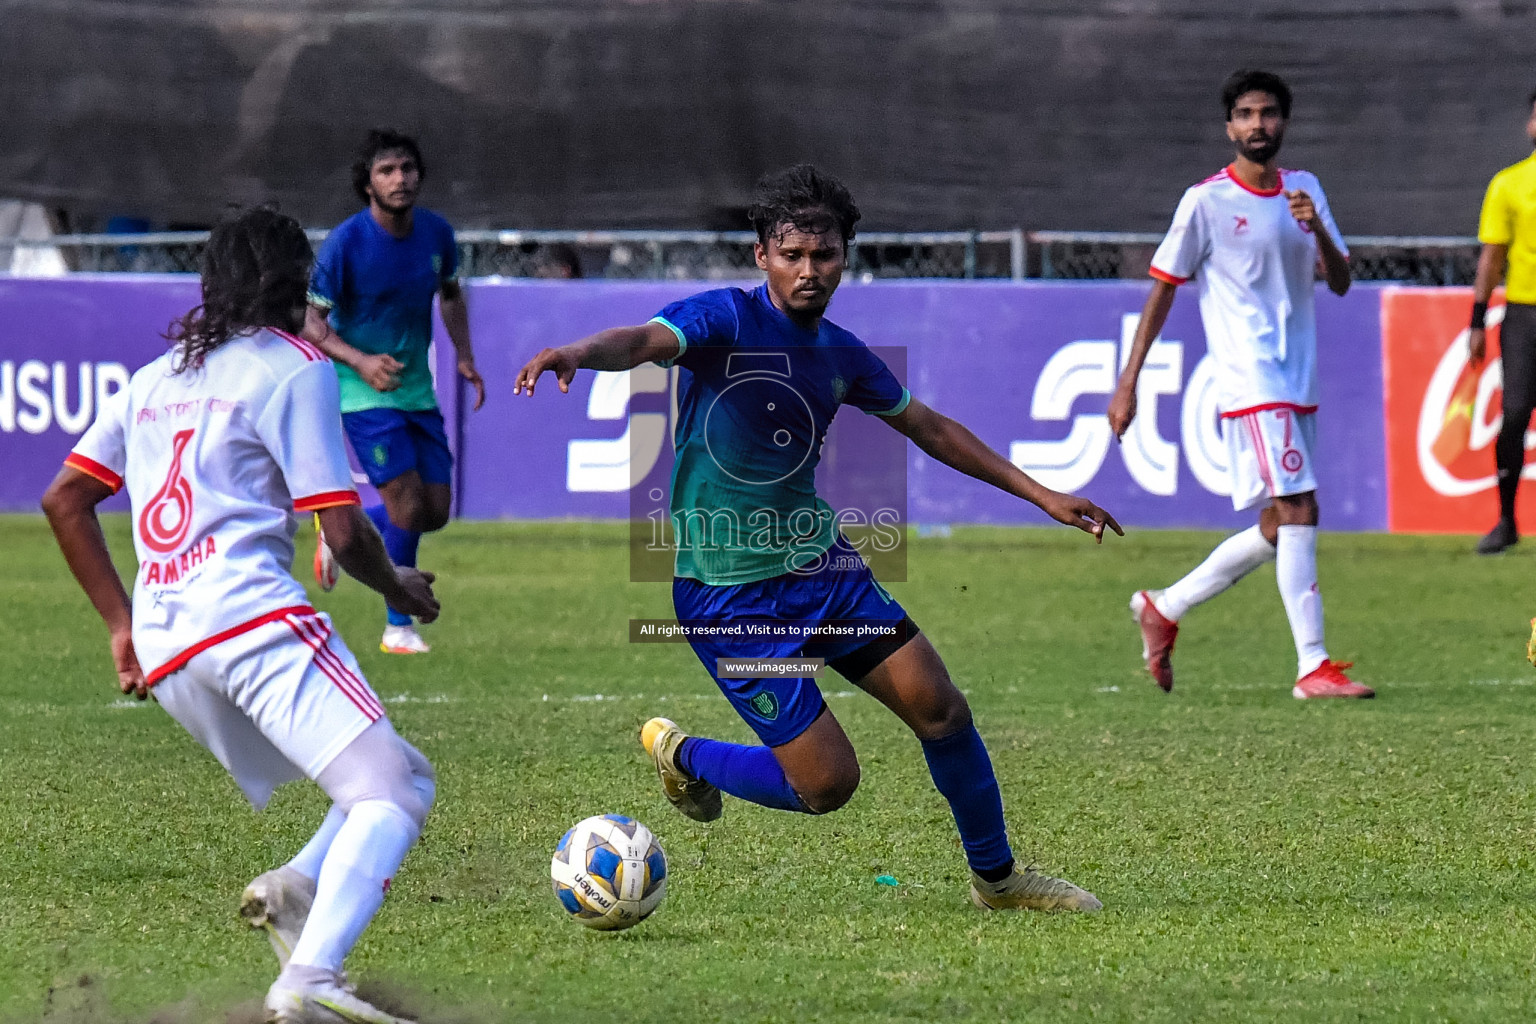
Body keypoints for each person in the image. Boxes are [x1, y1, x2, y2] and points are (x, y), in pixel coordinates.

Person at [514, 164, 1121, 913]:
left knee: (942, 710)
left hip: (824, 573)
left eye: (824, 254)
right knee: (827, 785)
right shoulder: (722, 319)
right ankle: (686, 755)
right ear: (762, 254)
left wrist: (1043, 494)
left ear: (845, 257)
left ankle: (998, 882)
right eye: (792, 254)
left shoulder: (842, 353)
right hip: (728, 596)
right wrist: (578, 353)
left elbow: (928, 427)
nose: (809, 270)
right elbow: (641, 339)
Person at [42, 207, 440, 1024]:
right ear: (295, 284)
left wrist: (122, 627)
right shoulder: (292, 367)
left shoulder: (154, 380)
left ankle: (294, 889)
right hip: (253, 625)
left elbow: (64, 499)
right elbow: (341, 526)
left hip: (171, 648)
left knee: (400, 771)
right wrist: (399, 588)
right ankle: (311, 980)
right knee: (390, 797)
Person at [1109, 70, 1373, 700]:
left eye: (1270, 113)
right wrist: (1129, 380)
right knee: (1301, 505)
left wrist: (1317, 233)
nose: (1259, 125)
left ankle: (1164, 606)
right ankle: (1313, 666)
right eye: (1247, 114)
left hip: (1297, 375)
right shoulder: (1205, 201)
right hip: (1250, 378)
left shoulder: (1305, 190)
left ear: (1284, 122)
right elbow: (1163, 289)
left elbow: (1340, 280)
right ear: (1229, 127)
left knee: (1282, 524)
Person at [304, 129, 485, 655]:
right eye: (387, 171)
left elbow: (450, 295)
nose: (400, 179)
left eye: (407, 168)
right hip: (363, 394)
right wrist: (359, 360)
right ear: (367, 184)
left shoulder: (436, 234)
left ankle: (339, 534)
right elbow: (310, 319)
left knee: (436, 510)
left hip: (416, 394)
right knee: (406, 507)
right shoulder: (345, 244)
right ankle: (396, 626)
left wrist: (466, 356)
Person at [1471, 89, 1536, 555]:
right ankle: (1506, 520)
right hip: (1524, 315)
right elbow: (1492, 258)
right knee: (1515, 414)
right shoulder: (1509, 184)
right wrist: (1476, 319)